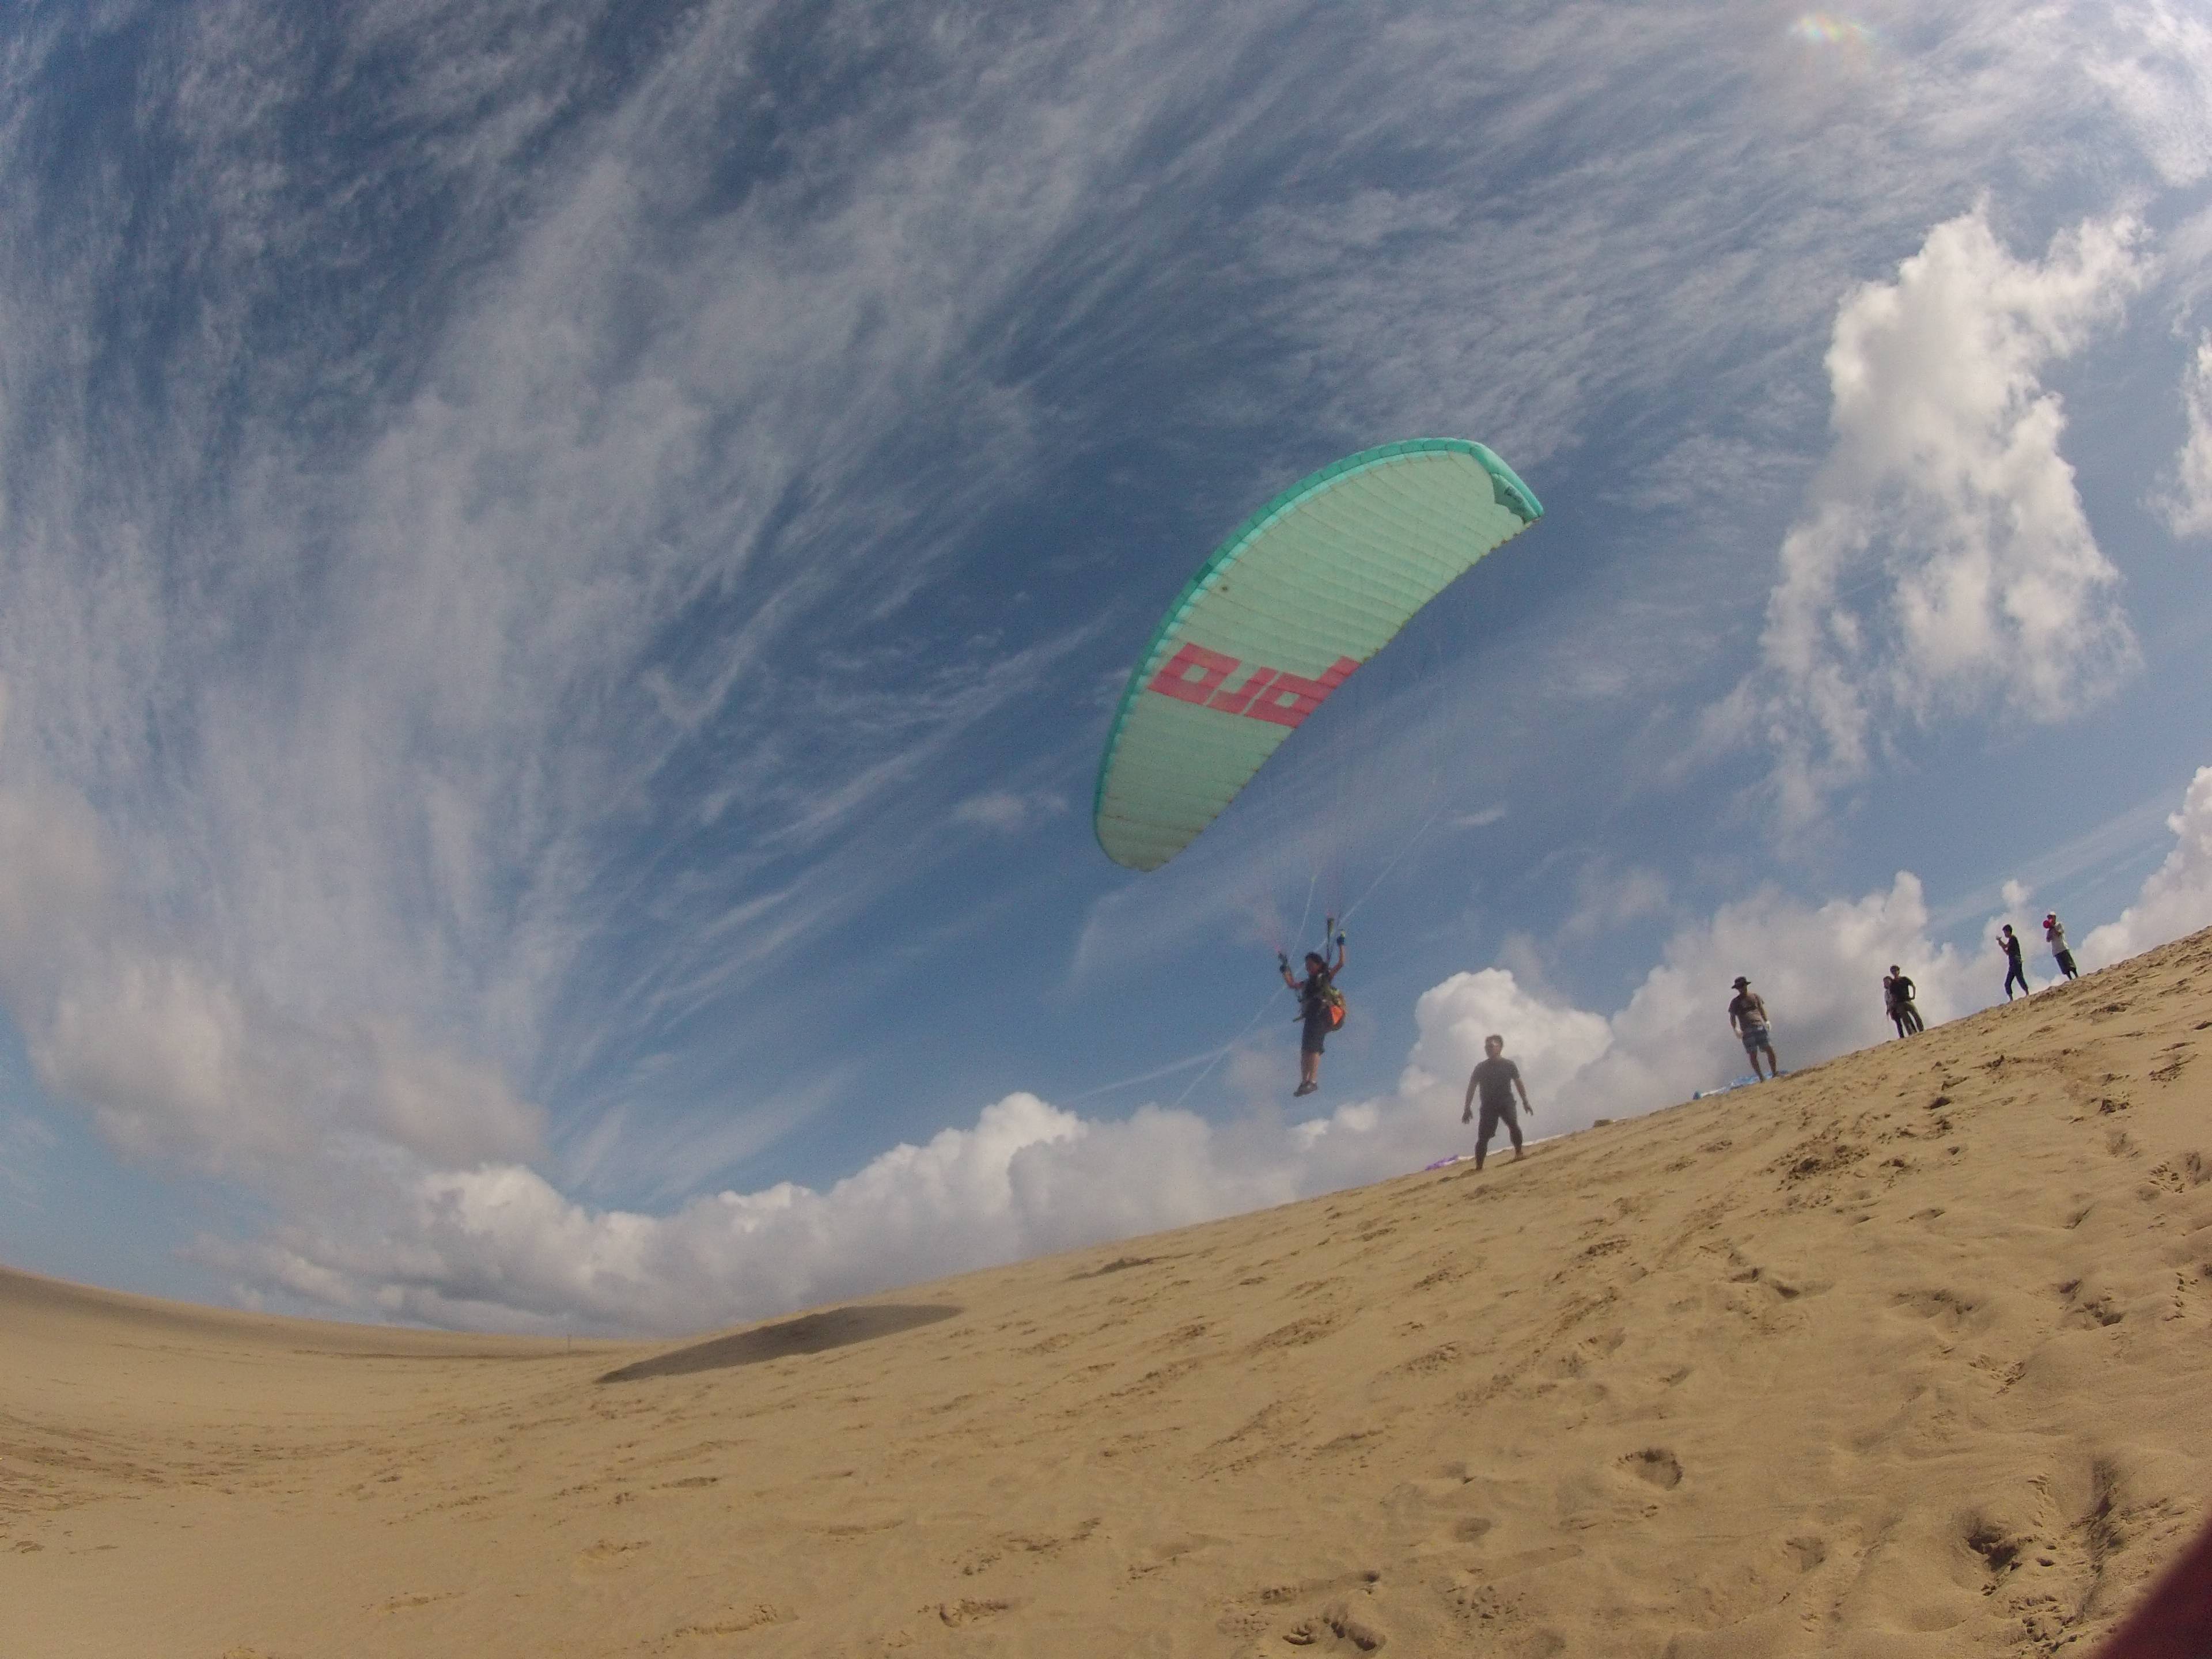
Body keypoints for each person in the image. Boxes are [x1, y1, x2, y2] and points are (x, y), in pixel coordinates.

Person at [1279, 931, 1346, 1096]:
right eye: (1306, 965)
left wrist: (1341, 944)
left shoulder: (1324, 977)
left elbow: (1341, 963)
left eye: (1310, 964)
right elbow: (1292, 985)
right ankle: (1304, 1082)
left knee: (1314, 1049)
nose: (1308, 967)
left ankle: (1313, 1081)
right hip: (1311, 1017)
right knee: (1305, 1051)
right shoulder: (1308, 983)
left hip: (1322, 1016)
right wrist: (1285, 969)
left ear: (1318, 964)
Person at [1461, 1033, 1533, 1169]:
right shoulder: (1481, 1068)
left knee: (1513, 1124)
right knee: (1483, 1137)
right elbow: (1472, 1087)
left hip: (1506, 1101)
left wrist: (1525, 1101)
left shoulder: (1509, 1065)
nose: (1488, 1049)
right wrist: (1467, 1107)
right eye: (1486, 1047)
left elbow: (1519, 1083)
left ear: (1500, 1048)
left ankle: (1519, 1153)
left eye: (1491, 1046)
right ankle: (1479, 1167)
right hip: (1488, 1106)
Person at [1728, 975, 1781, 1080]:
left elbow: (1761, 1009)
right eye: (1739, 987)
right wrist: (1736, 1029)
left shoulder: (1755, 996)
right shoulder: (1735, 1002)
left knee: (1769, 1049)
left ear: (1746, 986)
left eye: (1743, 986)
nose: (1741, 988)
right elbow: (1732, 1017)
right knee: (1753, 1054)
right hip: (1746, 1030)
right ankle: (1761, 1078)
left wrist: (1767, 1021)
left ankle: (1775, 1073)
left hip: (1759, 1026)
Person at [2044, 912, 2080, 980]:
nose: (2050, 919)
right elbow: (2048, 940)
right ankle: (2070, 979)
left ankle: (2077, 976)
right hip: (2056, 951)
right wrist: (2050, 929)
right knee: (2064, 967)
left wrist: (2053, 927)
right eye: (2049, 918)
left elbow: (2059, 934)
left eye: (2051, 917)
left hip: (2063, 948)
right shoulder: (2049, 931)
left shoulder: (2059, 925)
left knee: (2070, 964)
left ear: (2055, 917)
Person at [1998, 923, 2030, 1000]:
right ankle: (2011, 999)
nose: (2005, 934)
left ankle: (2027, 993)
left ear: (2009, 931)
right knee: (2007, 983)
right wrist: (2001, 945)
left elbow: (2006, 946)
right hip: (2012, 964)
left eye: (2005, 932)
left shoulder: (2013, 938)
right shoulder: (2011, 940)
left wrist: (2000, 942)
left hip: (2016, 962)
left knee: (2020, 978)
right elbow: (2007, 952)